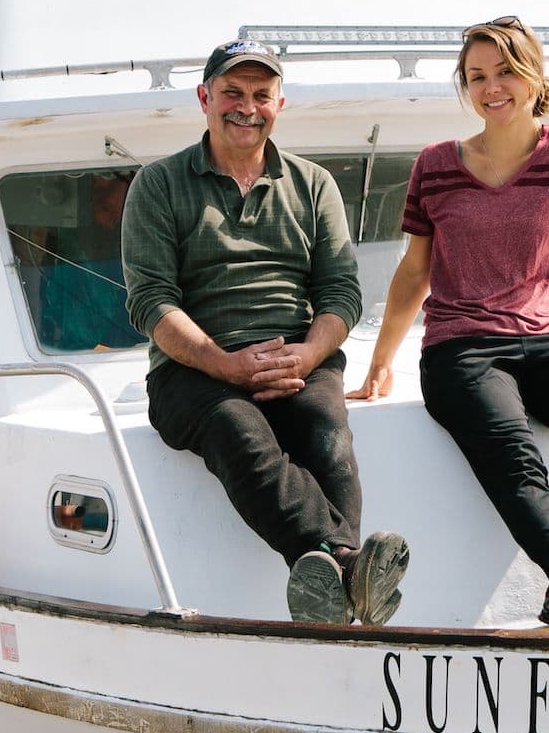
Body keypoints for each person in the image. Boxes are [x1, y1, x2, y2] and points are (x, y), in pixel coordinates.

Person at [348, 16, 549, 625]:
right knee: (515, 454)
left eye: (506, 72)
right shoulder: (436, 164)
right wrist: (381, 362)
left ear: (532, 75)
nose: (492, 88)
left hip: (545, 340)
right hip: (460, 348)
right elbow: (414, 270)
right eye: (476, 76)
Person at [122, 38, 409, 625]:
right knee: (237, 427)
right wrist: (224, 364)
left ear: (280, 103)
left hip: (298, 353)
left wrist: (307, 355)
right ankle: (348, 564)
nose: (246, 107)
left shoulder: (314, 183)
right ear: (204, 98)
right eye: (232, 92)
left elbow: (341, 292)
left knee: (326, 427)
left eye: (261, 94)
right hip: (191, 371)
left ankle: (333, 583)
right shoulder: (158, 184)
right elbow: (151, 301)